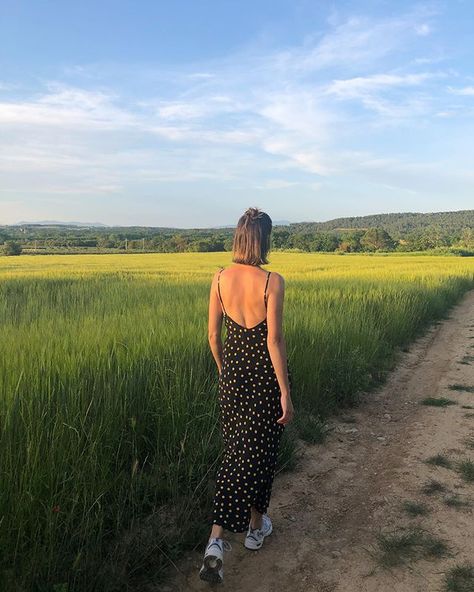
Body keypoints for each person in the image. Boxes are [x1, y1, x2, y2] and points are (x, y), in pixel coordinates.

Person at [200, 206, 294, 584]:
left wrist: (225, 373)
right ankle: (236, 534)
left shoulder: (219, 278)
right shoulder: (272, 281)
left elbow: (212, 336)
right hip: (264, 380)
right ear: (264, 239)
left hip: (233, 379)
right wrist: (285, 391)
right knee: (259, 453)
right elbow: (273, 339)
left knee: (238, 451)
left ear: (239, 237)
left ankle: (237, 533)